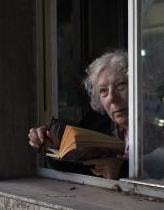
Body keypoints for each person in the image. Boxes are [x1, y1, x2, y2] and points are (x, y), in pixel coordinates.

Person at [28, 49, 129, 179]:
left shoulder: (155, 129)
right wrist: (55, 147)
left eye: (121, 85)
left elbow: (160, 174)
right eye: (103, 90)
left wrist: (121, 171)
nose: (112, 98)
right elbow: (78, 168)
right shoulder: (96, 122)